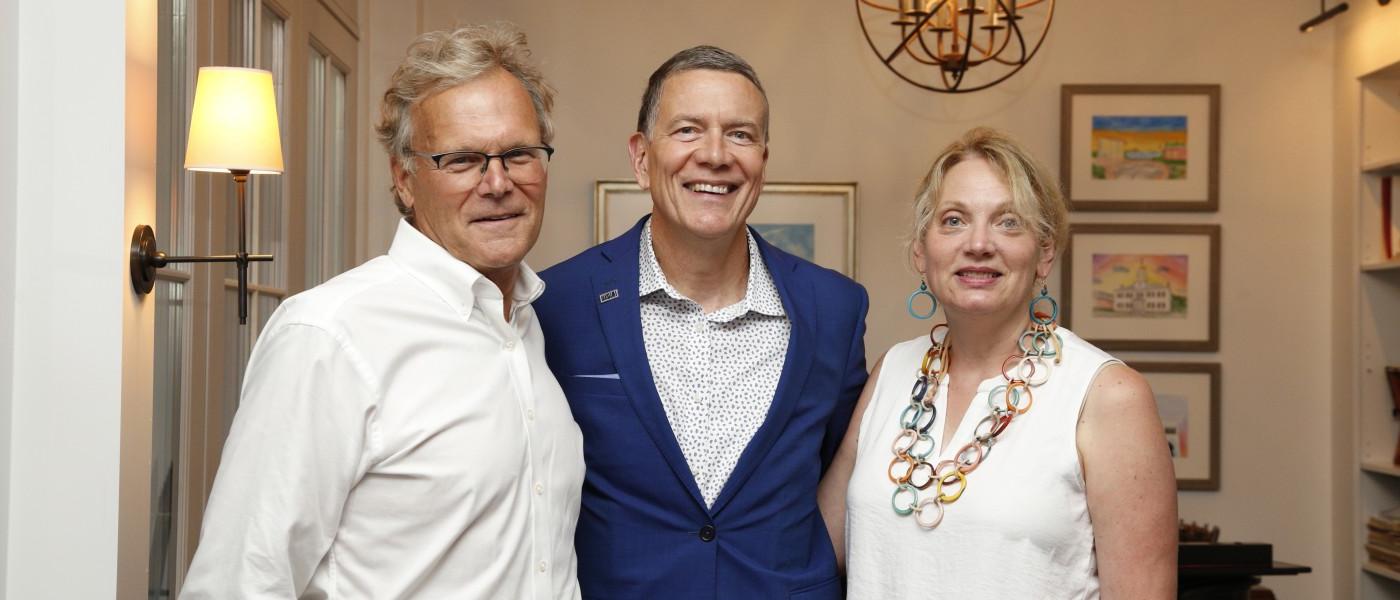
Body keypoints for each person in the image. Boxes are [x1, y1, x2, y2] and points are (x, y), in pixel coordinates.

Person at [181, 24, 584, 599]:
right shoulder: (328, 336)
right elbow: (240, 583)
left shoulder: (527, 327)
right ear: (405, 180)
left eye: (518, 153)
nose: (498, 183)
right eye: (463, 160)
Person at [534, 46, 868, 599]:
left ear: (763, 158)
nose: (715, 155)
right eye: (688, 130)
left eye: (740, 134)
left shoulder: (834, 307)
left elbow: (844, 485)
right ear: (641, 158)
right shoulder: (557, 301)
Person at [818, 127, 1177, 599]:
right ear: (921, 251)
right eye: (953, 220)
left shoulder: (1108, 395)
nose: (979, 243)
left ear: (1044, 253)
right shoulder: (893, 372)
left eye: (1009, 222)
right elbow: (815, 551)